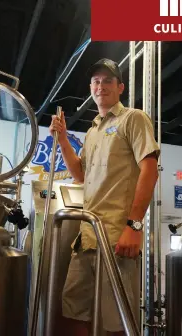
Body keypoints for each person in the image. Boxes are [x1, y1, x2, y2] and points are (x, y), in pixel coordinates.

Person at [49, 58, 160, 336]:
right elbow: (81, 175)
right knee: (74, 313)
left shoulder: (132, 118)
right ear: (90, 88)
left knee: (115, 322)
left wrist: (133, 227)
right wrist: (63, 139)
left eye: (108, 81)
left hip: (116, 239)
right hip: (86, 237)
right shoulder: (92, 132)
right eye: (96, 81)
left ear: (120, 87)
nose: (101, 86)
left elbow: (150, 171)